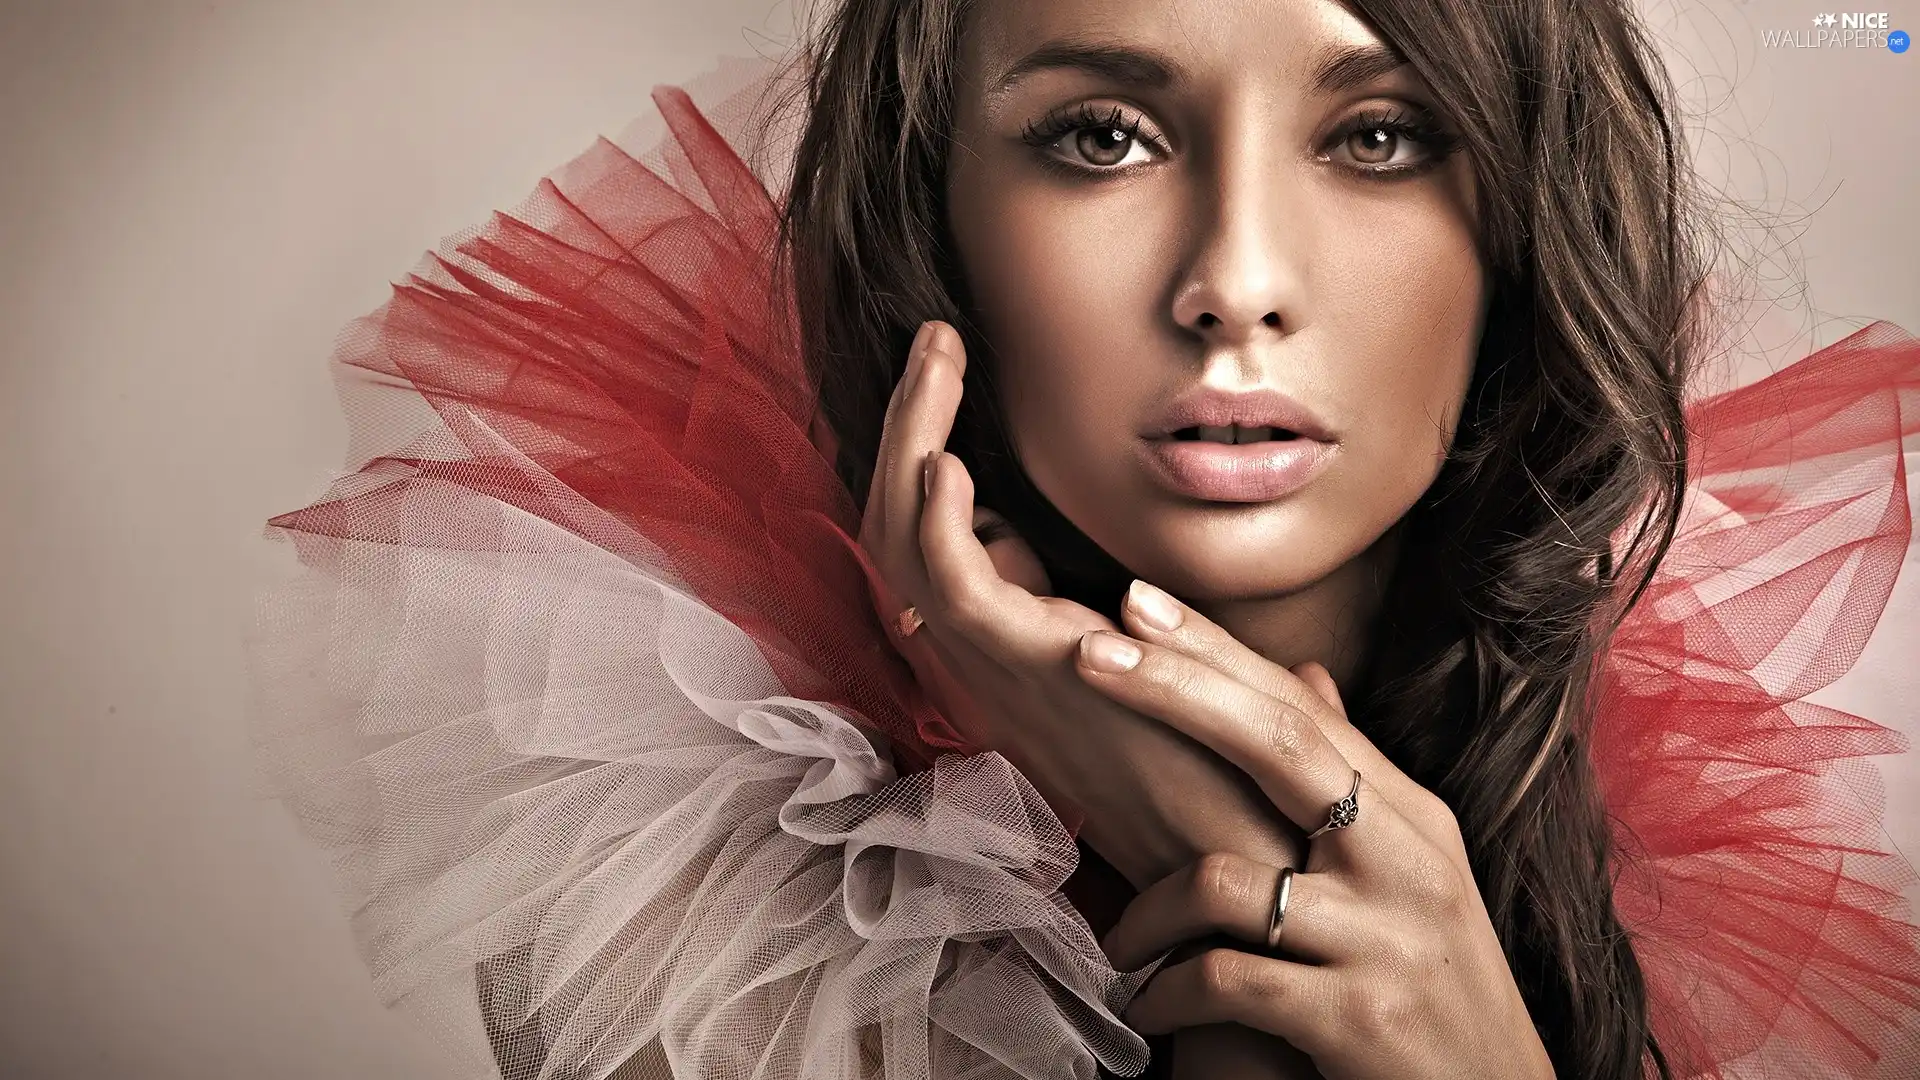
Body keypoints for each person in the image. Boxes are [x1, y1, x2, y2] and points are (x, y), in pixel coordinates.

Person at [251, 1, 1920, 1078]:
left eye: (1380, 136)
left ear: (1523, 226)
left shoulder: (1716, 866)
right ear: (937, 223)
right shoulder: (728, 918)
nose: (1236, 280)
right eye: (1102, 136)